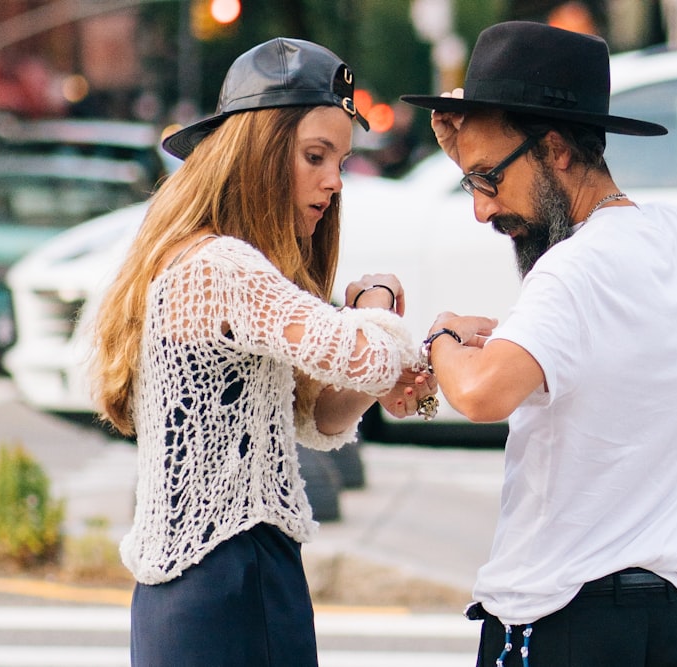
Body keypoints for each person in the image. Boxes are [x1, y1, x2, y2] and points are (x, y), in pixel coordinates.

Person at [90, 37, 436, 666]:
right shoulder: (221, 266)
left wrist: (391, 354)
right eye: (315, 156)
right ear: (259, 152)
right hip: (232, 578)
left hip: (208, 586)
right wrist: (380, 304)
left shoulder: (205, 259)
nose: (334, 181)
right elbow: (365, 356)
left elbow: (320, 415)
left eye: (339, 160)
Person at [401, 20, 677, 666]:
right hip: (665, 618)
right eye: (471, 182)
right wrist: (473, 151)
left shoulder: (574, 269)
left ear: (558, 150)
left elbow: (481, 392)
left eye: (489, 177)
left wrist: (445, 336)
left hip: (562, 616)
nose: (482, 210)